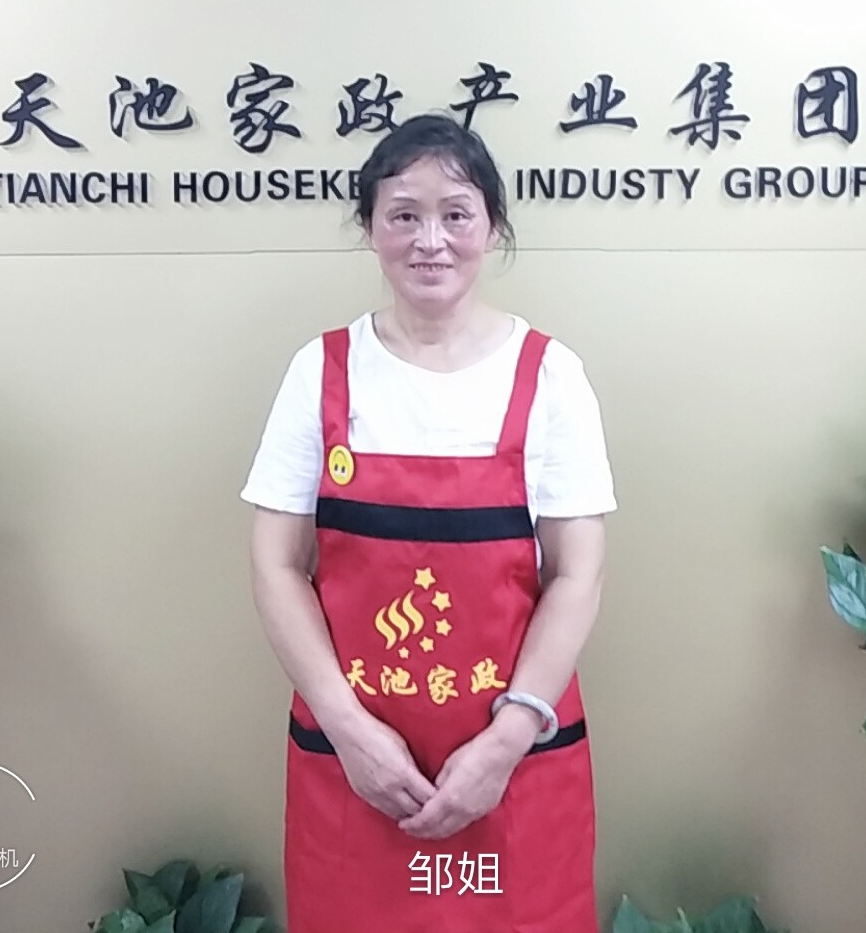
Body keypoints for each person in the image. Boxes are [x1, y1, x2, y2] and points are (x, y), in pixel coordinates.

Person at [242, 112, 616, 933]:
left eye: (456, 213)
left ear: (493, 226)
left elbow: (578, 575)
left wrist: (506, 742)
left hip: (513, 769)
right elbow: (275, 564)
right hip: (357, 770)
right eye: (403, 214)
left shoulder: (551, 377)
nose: (430, 240)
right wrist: (349, 731)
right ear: (370, 228)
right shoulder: (322, 372)